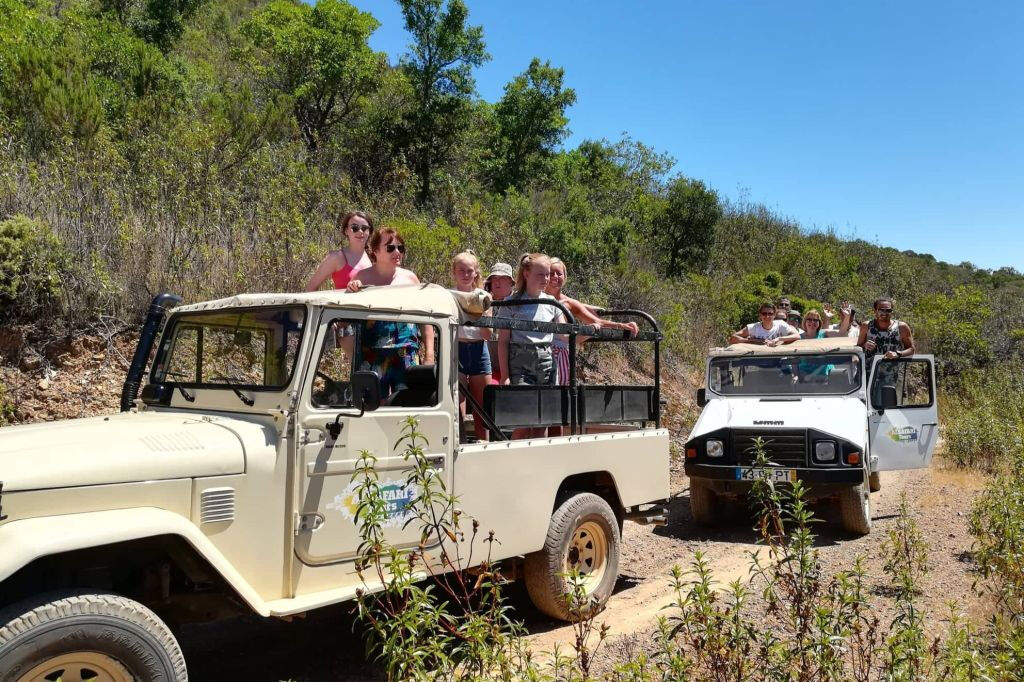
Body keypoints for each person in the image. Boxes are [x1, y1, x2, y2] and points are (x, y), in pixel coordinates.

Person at [347, 228, 435, 394]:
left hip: (406, 351)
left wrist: (429, 353)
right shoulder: (362, 277)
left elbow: (425, 318)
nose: (397, 252)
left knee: (407, 404)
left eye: (400, 248)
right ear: (375, 251)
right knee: (372, 405)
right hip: (372, 354)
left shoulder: (410, 279)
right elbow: (347, 317)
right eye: (390, 248)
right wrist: (353, 289)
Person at [496, 253, 565, 438]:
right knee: (524, 419)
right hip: (520, 363)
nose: (546, 279)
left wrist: (594, 328)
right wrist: (505, 375)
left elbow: (565, 333)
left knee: (542, 420)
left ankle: (539, 461)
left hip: (546, 362)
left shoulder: (551, 303)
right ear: (526, 274)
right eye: (540, 274)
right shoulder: (511, 303)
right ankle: (513, 457)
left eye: (548, 274)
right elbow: (502, 342)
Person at [544, 257, 639, 385]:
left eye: (559, 273)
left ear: (565, 277)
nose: (555, 276)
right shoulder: (533, 297)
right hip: (537, 355)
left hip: (559, 357)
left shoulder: (569, 304)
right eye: (551, 273)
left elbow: (596, 321)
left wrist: (622, 325)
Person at [451, 251, 492, 441]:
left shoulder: (484, 297)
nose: (466, 274)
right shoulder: (448, 296)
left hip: (478, 349)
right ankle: (459, 442)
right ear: (454, 272)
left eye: (470, 271)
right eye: (461, 270)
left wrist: (481, 312)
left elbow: (487, 334)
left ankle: (483, 443)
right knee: (456, 401)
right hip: (456, 348)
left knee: (481, 404)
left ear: (476, 273)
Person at [305, 211, 373, 291]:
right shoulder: (336, 257)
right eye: (354, 228)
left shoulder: (375, 257)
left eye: (364, 228)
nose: (360, 231)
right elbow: (310, 288)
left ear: (369, 232)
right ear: (346, 231)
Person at [483, 262, 515, 384]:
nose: (497, 282)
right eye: (494, 278)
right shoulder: (483, 302)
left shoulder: (519, 303)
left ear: (511, 282)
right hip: (488, 368)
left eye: (502, 278)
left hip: (514, 369)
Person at [730, 303, 801, 347]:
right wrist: (753, 340)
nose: (767, 316)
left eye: (770, 314)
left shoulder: (781, 324)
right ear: (760, 315)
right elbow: (733, 338)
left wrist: (779, 339)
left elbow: (797, 336)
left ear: (774, 315)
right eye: (764, 313)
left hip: (779, 363)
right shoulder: (753, 327)